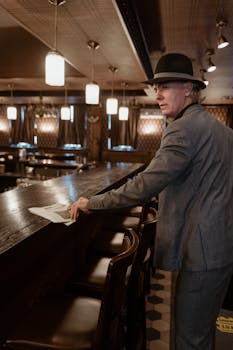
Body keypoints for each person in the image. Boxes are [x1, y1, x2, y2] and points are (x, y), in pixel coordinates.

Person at [69, 53, 233, 350]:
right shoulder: (222, 130)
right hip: (220, 247)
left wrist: (90, 203)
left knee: (189, 340)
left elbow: (143, 187)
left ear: (188, 88)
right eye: (155, 87)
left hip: (203, 252)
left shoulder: (183, 128)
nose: (157, 93)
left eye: (165, 86)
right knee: (201, 334)